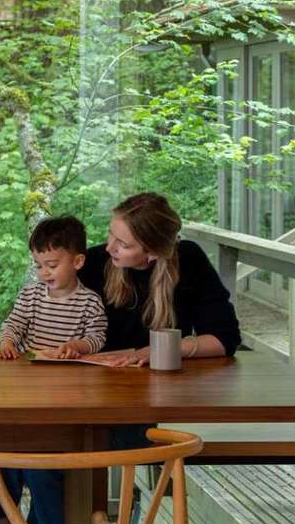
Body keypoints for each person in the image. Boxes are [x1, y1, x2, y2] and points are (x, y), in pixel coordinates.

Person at [0, 215, 106, 524]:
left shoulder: (89, 302)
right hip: (20, 405)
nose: (45, 273)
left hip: (60, 412)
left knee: (46, 483)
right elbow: (12, 325)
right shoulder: (31, 297)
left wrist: (78, 347)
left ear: (77, 262)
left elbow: (98, 337)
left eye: (53, 265)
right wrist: (9, 342)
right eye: (39, 265)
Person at [77, 192, 243, 455]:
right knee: (24, 438)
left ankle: (125, 489)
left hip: (151, 395)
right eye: (111, 234)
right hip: (88, 388)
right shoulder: (94, 262)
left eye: (123, 244)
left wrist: (158, 351)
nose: (110, 247)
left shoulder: (188, 259)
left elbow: (225, 339)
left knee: (126, 430)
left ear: (153, 252)